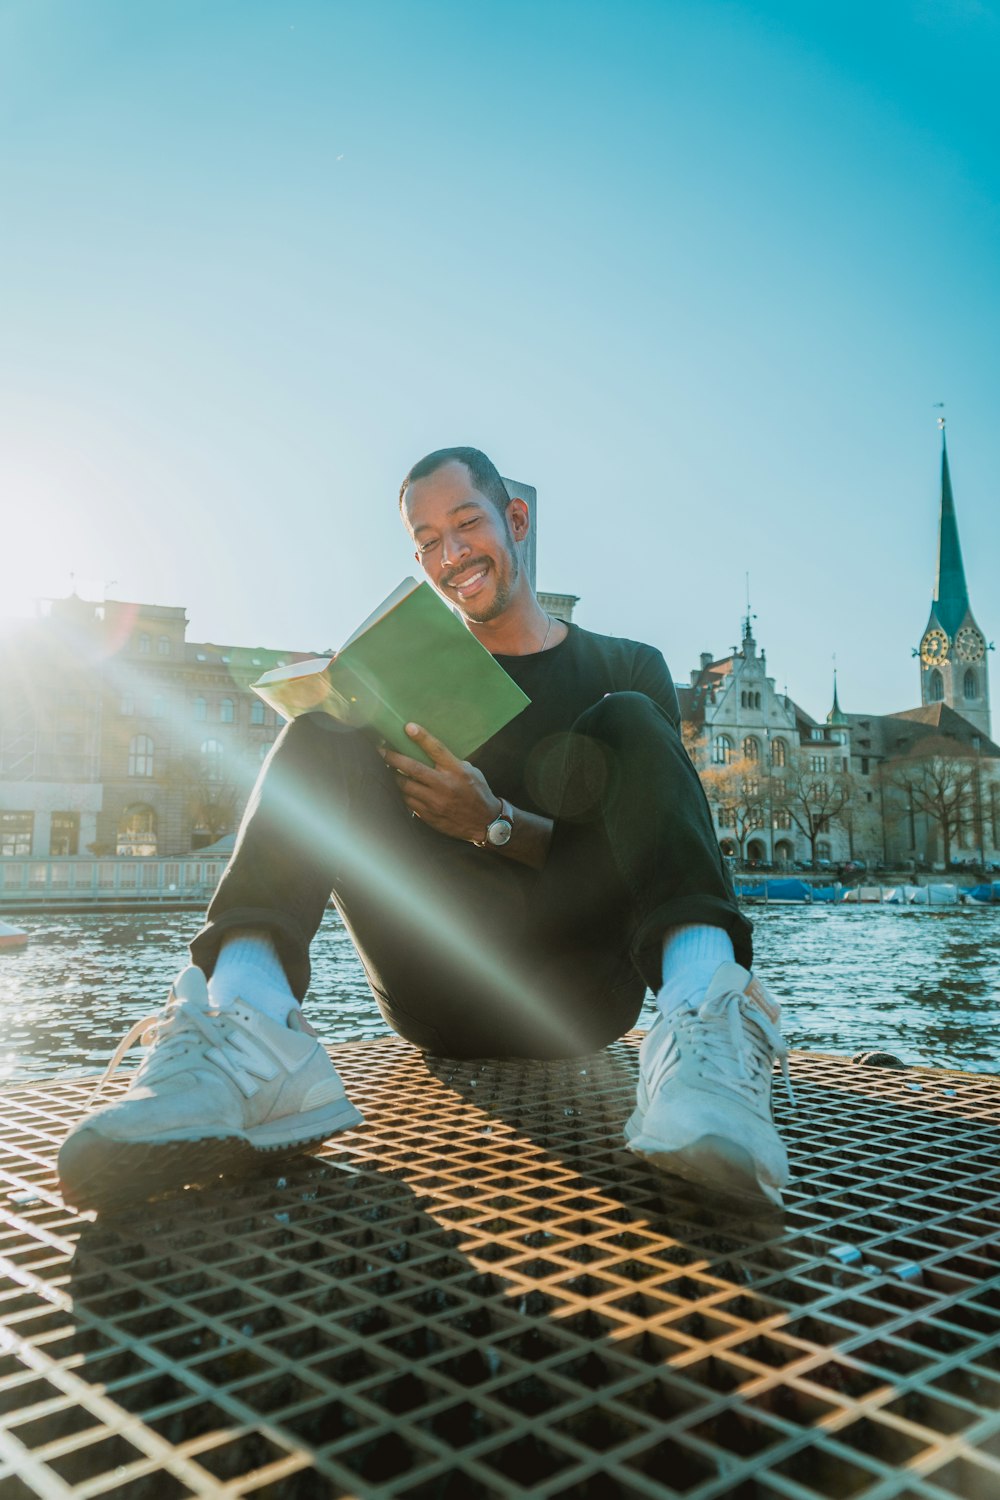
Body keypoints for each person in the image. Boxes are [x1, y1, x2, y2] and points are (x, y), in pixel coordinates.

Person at [58, 447, 791, 1213]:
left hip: (579, 997)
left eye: (466, 525)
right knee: (320, 732)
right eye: (428, 542)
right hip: (436, 995)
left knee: (632, 721)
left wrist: (494, 823)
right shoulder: (411, 676)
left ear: (516, 521)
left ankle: (705, 1037)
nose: (451, 555)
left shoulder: (628, 664)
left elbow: (640, 860)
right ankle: (242, 1027)